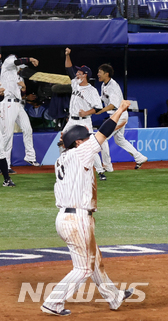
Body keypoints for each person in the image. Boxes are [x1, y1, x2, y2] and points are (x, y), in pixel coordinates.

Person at [40, 100, 135, 316]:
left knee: (95, 259)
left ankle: (114, 296)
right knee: (83, 268)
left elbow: (100, 137)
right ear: (78, 142)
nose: (89, 141)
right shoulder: (79, 153)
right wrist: (119, 110)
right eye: (85, 138)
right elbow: (102, 133)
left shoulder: (64, 158)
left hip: (68, 217)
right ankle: (53, 302)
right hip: (76, 219)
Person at [78, 63, 148, 170]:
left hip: (119, 115)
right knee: (119, 140)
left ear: (107, 74)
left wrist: (100, 111)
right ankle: (140, 157)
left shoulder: (113, 86)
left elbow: (113, 105)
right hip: (116, 115)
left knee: (103, 138)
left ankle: (107, 166)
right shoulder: (104, 85)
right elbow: (103, 99)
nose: (98, 74)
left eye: (100, 72)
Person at [61, 48, 109, 181]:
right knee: (63, 142)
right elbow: (68, 69)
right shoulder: (75, 83)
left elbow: (99, 108)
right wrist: (68, 55)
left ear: (85, 75)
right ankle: (64, 168)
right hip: (72, 120)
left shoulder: (92, 91)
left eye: (80, 72)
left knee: (89, 146)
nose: (77, 73)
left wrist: (86, 112)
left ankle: (100, 171)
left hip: (84, 121)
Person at [0, 54, 41, 172]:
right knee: (8, 134)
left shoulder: (19, 78)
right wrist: (31, 58)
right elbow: (17, 62)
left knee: (27, 128)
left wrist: (24, 89)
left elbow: (22, 96)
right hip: (8, 103)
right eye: (20, 67)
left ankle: (30, 156)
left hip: (18, 104)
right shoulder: (7, 64)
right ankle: (4, 164)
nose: (20, 69)